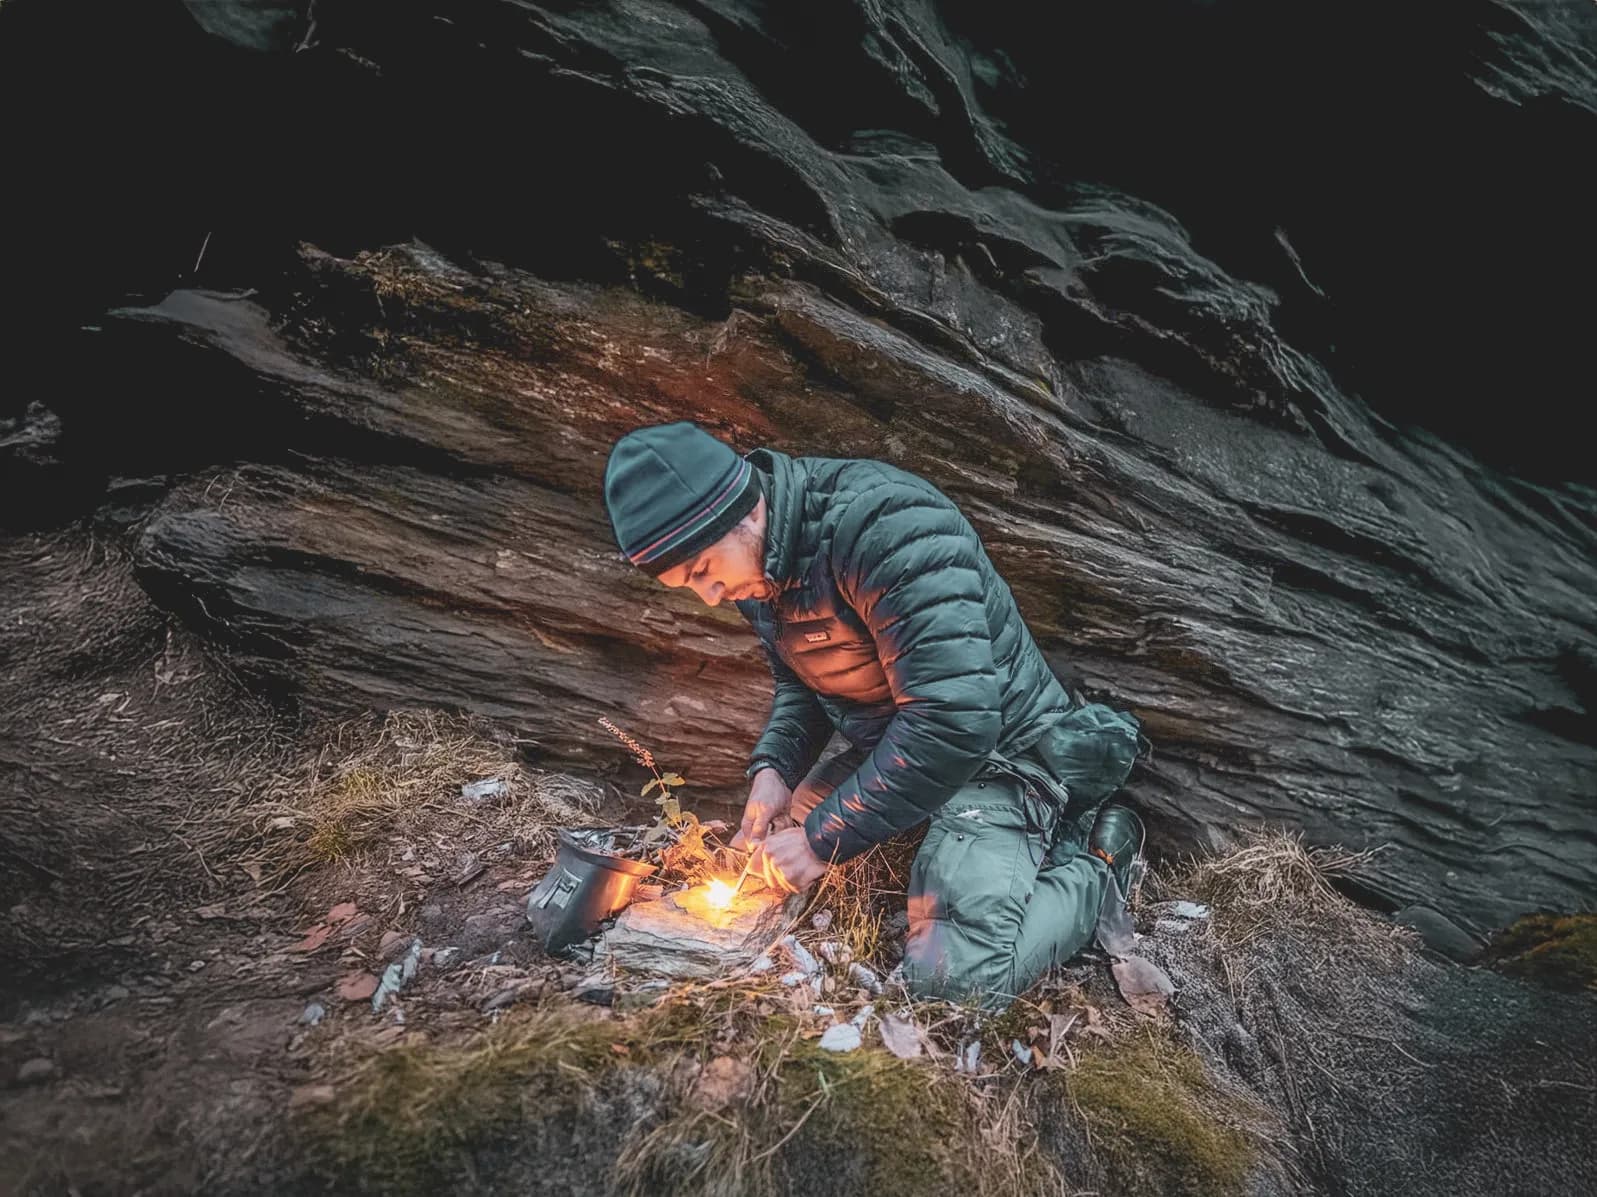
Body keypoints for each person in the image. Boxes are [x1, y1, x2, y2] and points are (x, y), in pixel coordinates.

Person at [603, 421, 1145, 1008]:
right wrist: (776, 770)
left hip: (999, 757)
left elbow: (955, 719)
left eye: (703, 572)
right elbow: (801, 680)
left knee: (952, 984)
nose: (709, 596)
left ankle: (1098, 863)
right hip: (901, 743)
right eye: (689, 585)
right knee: (757, 860)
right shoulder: (759, 573)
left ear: (744, 515)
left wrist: (820, 841)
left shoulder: (887, 526)